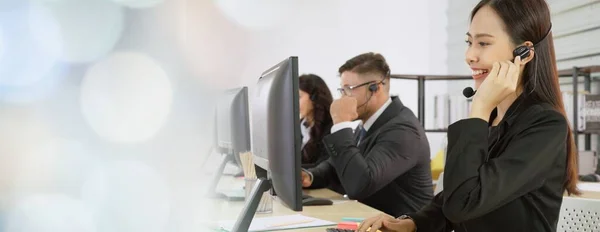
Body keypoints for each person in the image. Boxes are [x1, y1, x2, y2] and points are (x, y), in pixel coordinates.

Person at [357, 0, 580, 232]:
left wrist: (480, 108)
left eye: (483, 43)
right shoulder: (493, 117)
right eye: (469, 42)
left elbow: (464, 203)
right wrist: (413, 223)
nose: (469, 55)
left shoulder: (545, 125)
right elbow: (457, 194)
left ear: (523, 53)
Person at [301, 52, 434, 217]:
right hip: (371, 219)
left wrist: (341, 124)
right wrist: (310, 176)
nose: (342, 97)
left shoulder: (402, 130)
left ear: (375, 88)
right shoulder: (370, 124)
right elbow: (335, 166)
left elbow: (360, 185)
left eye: (348, 89)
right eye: (342, 90)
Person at [298, 74, 334, 169]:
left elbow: (323, 168)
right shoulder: (297, 126)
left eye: (298, 97)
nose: (294, 102)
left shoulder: (332, 128)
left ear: (314, 98)